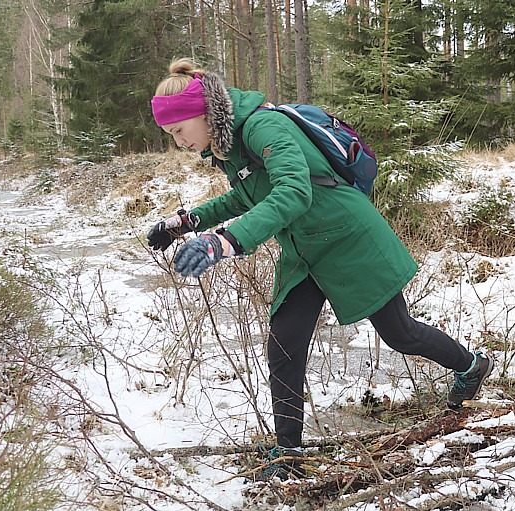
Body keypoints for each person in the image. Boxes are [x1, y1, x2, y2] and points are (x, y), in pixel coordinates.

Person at [146, 58, 493, 479]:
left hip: (348, 238)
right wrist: (189, 221)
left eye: (179, 131)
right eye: (170, 135)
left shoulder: (261, 128)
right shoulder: (231, 144)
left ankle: (471, 366)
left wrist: (226, 240)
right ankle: (289, 454)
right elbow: (249, 197)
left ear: (202, 113)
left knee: (400, 333)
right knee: (285, 345)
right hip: (305, 249)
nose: (179, 142)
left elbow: (294, 191)